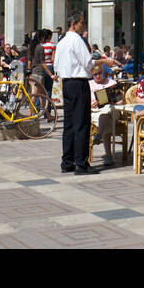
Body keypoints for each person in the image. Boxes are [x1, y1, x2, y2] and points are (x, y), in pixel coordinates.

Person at [56, 13, 100, 175]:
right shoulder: (76, 40)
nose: (84, 26)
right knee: (81, 122)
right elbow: (88, 63)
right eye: (82, 23)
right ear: (73, 24)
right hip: (79, 82)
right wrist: (101, 62)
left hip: (66, 83)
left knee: (69, 123)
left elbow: (56, 65)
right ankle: (81, 163)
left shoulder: (61, 42)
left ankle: (67, 161)